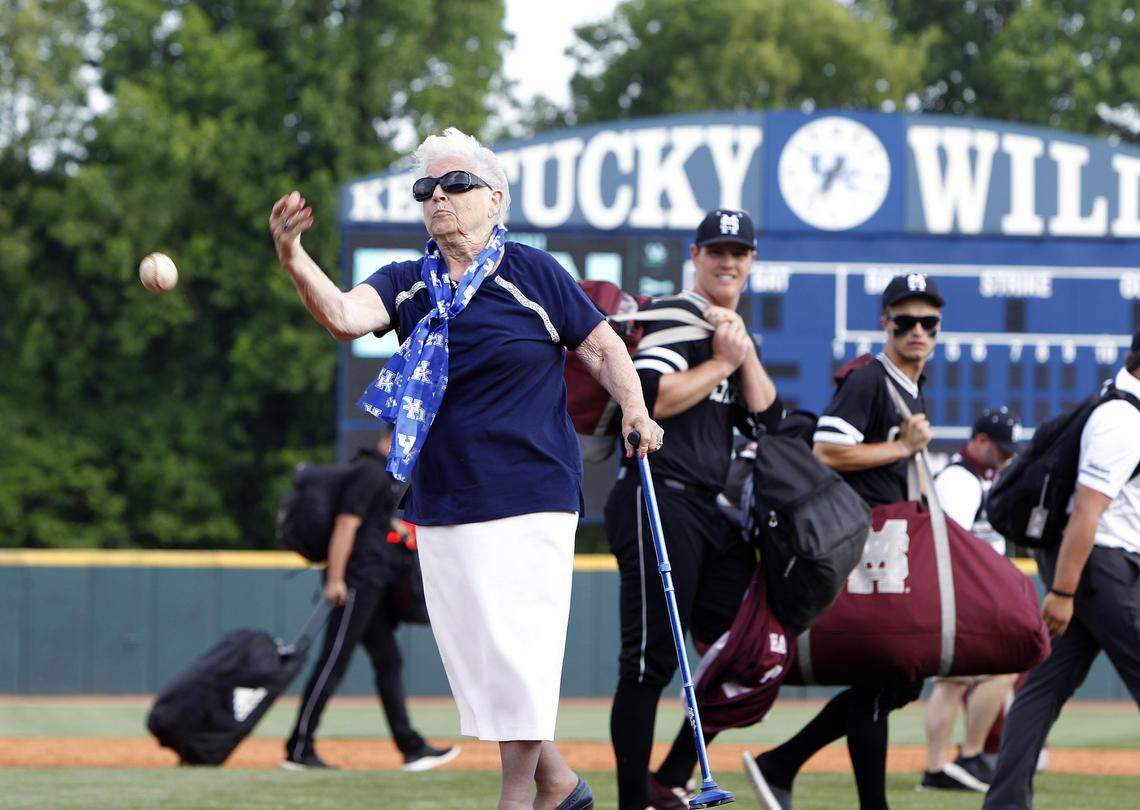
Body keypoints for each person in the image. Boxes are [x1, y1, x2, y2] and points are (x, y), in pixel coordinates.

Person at [270, 127, 663, 810]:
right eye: (427, 188)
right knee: (481, 662)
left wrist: (636, 409)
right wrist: (292, 254)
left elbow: (600, 347)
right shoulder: (408, 283)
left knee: (518, 653)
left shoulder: (532, 271)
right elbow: (341, 316)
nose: (439, 197)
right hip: (444, 498)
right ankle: (562, 785)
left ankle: (518, 800)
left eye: (456, 184)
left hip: (532, 489)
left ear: (495, 198)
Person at [605, 209, 782, 810]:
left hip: (708, 512)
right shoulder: (677, 319)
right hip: (656, 494)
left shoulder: (726, 330)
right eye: (717, 251)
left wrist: (741, 351)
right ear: (696, 255)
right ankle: (636, 800)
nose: (728, 261)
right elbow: (650, 396)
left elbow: (770, 420)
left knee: (750, 643)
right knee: (649, 662)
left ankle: (672, 774)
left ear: (752, 261)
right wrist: (722, 364)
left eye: (739, 252)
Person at [746, 273, 944, 810]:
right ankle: (761, 765)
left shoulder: (911, 384)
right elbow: (827, 452)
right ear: (886, 323)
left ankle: (781, 762)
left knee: (895, 680)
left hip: (890, 544)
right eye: (906, 321)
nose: (918, 331)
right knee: (887, 675)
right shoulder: (868, 380)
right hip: (864, 541)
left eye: (928, 322)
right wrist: (900, 449)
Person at [983, 334, 1140, 810]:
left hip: (1100, 568)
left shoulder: (1123, 411)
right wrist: (1064, 591)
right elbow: (1086, 513)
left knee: (1044, 688)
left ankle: (1005, 804)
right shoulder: (1121, 420)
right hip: (1100, 568)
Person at [281, 429, 457, 772]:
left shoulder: (382, 476)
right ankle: (298, 748)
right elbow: (346, 525)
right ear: (391, 437)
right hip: (355, 582)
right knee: (333, 661)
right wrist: (335, 578)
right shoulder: (371, 473)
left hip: (371, 583)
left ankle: (411, 747)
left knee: (388, 660)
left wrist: (395, 526)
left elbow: (369, 521)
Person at [920, 409, 1021, 792]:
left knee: (979, 676)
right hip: (964, 593)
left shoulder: (983, 478)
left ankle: (965, 758)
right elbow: (951, 547)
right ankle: (943, 765)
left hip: (979, 593)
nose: (1007, 456)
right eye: (1001, 448)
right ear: (980, 441)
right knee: (956, 681)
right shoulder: (959, 480)